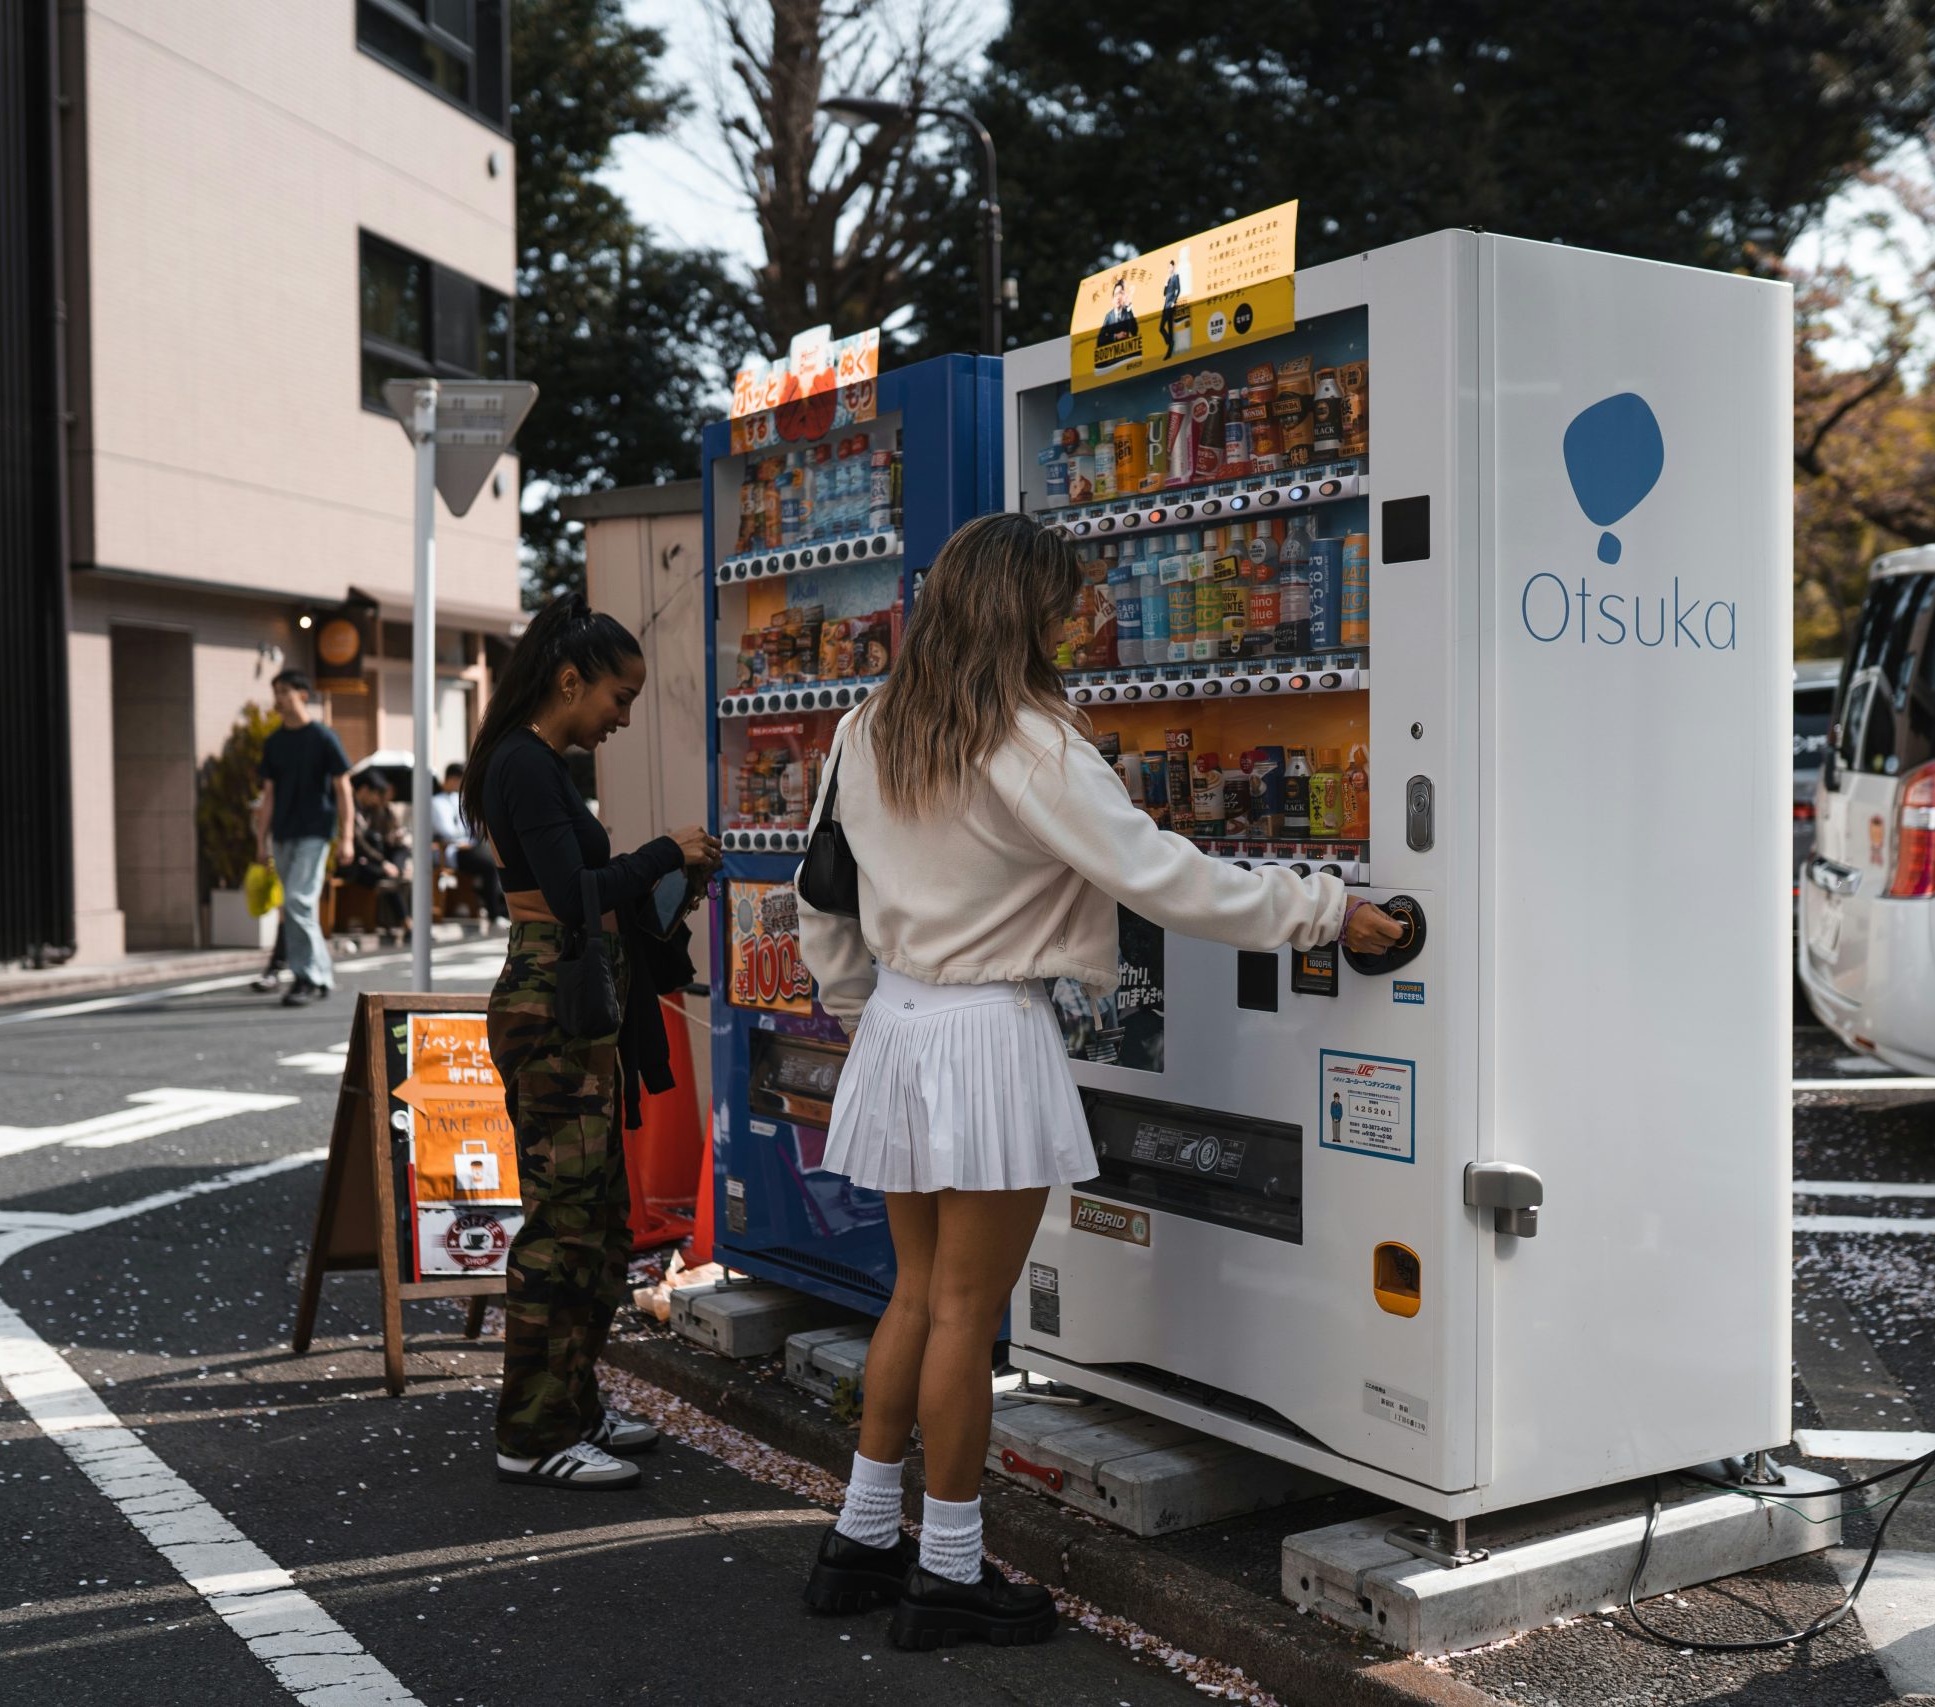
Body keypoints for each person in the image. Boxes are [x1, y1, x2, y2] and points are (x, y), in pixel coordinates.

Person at [795, 513, 1403, 1650]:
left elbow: (819, 894)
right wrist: (1324, 905)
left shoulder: (865, 724)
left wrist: (851, 1014)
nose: (1078, 618)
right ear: (1027, 610)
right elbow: (1165, 880)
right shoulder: (1025, 739)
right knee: (968, 1317)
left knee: (915, 1298)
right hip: (984, 1031)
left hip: (898, 1022)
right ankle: (947, 1571)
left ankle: (860, 1541)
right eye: (1066, 601)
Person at [461, 593, 716, 1493]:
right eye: (619, 696)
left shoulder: (537, 761)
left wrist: (668, 877)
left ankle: (571, 1401)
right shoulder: (525, 766)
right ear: (570, 680)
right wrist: (663, 853)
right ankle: (530, 1434)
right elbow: (575, 895)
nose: (624, 716)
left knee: (601, 1225)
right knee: (561, 1228)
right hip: (550, 1002)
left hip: (571, 1002)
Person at [253, 671, 352, 1007]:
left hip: (315, 832)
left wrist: (348, 837)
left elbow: (343, 789)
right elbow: (268, 796)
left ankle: (304, 977)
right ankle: (321, 974)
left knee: (297, 901)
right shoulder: (274, 743)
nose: (278, 699)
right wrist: (260, 840)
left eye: (284, 692)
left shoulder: (324, 738)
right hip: (282, 833)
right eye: (276, 692)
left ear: (303, 695)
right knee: (297, 906)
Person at [429, 762, 507, 923]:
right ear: (451, 779)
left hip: (470, 846)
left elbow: (473, 825)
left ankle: (500, 905)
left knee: (499, 856)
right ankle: (494, 912)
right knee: (489, 864)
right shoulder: (436, 802)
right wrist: (467, 833)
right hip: (453, 851)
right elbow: (447, 831)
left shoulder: (460, 799)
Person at [337, 772, 411, 940]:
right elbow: (359, 843)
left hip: (368, 861)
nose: (378, 798)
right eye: (376, 794)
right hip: (351, 862)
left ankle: (404, 922)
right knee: (389, 879)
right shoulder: (350, 807)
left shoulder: (372, 810)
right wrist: (383, 862)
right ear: (364, 790)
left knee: (393, 874)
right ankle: (405, 922)